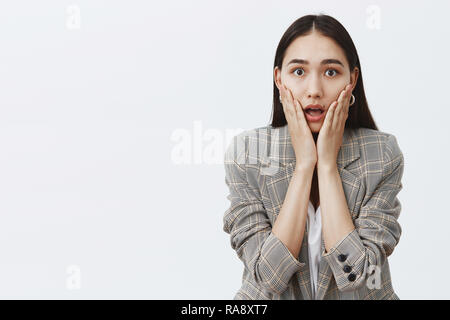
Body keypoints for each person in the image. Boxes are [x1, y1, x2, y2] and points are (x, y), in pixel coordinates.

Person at [223, 14, 404, 300]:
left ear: (352, 79)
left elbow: (356, 277)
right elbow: (270, 277)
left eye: (331, 72)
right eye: (298, 72)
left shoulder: (381, 155)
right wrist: (305, 165)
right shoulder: (248, 154)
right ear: (278, 78)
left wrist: (328, 166)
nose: (314, 90)